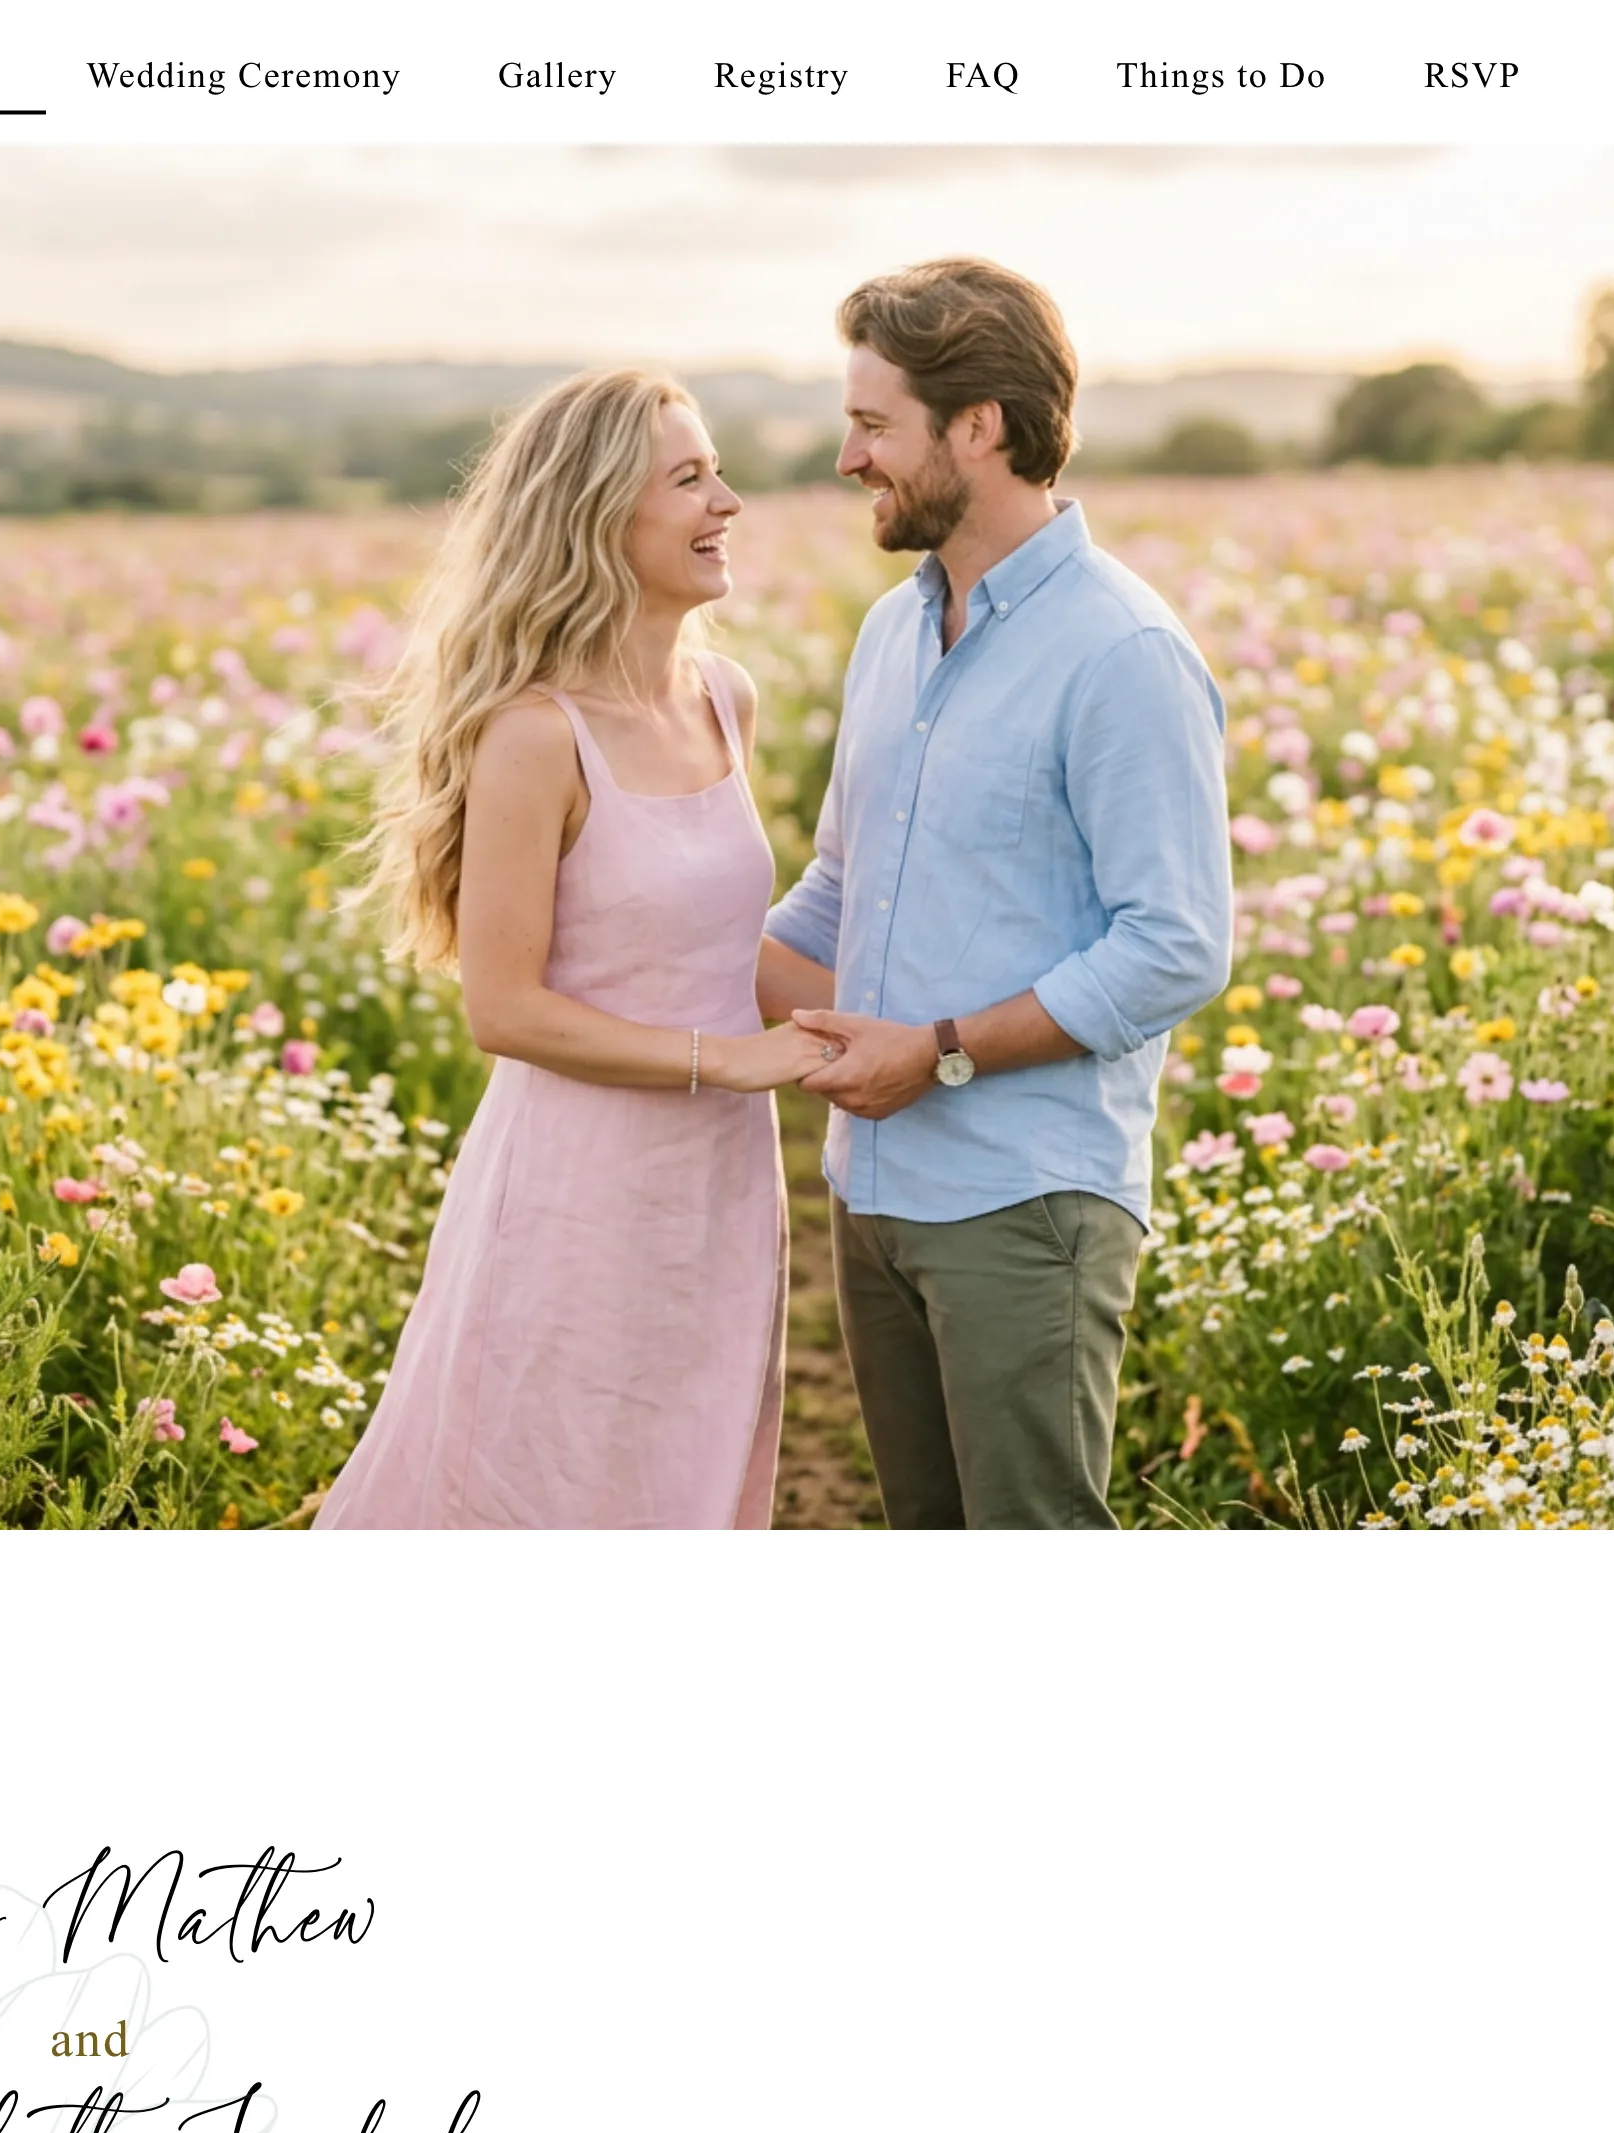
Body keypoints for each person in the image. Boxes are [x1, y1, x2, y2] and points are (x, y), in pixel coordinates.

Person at [759, 259, 1235, 1529]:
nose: (848, 457)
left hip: (1024, 1203)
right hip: (871, 1190)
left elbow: (1177, 947)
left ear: (978, 427)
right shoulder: (892, 633)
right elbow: (835, 891)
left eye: (873, 425)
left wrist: (942, 1053)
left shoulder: (1120, 652)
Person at [315, 370, 825, 1530]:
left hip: (717, 1185)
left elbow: (712, 942)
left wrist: (912, 1018)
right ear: (599, 514)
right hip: (577, 1190)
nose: (728, 502)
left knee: (682, 1476)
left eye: (718, 473)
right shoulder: (535, 735)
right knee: (545, 1484)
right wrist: (733, 1059)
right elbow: (505, 1009)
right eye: (689, 479)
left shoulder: (723, 701)